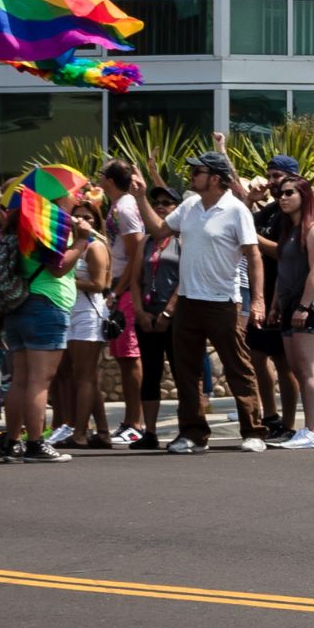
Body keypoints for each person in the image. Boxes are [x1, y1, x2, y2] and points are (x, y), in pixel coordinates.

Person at [133, 150, 270, 454]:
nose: (192, 175)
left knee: (238, 368)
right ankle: (193, 434)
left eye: (198, 172)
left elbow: (254, 256)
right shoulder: (190, 206)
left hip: (223, 301)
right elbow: (158, 231)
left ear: (216, 178)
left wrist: (258, 300)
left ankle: (253, 431)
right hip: (188, 302)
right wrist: (141, 197)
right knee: (186, 370)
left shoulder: (236, 210)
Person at [0, 193, 94, 463]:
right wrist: (82, 240)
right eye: (69, 196)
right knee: (40, 381)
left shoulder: (21, 223)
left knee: (20, 379)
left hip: (19, 305)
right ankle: (36, 444)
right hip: (47, 304)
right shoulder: (47, 223)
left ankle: (13, 443)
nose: (74, 199)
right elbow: (59, 267)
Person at [267, 175, 314, 450]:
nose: (282, 198)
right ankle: (311, 427)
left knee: (310, 370)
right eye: (280, 194)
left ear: (303, 195)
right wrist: (276, 304)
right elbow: (282, 271)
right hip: (288, 305)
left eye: (289, 193)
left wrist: (303, 306)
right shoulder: (289, 230)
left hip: (311, 306)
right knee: (298, 369)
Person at [245, 152, 303, 441]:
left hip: (285, 293)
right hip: (263, 291)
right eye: (269, 176)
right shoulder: (268, 212)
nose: (271, 183)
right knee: (257, 357)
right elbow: (243, 222)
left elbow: (282, 252)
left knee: (283, 362)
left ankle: (289, 424)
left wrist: (253, 238)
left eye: (277, 176)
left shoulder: (295, 214)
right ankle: (270, 416)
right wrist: (249, 198)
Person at [55, 194, 113, 451]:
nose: (81, 219)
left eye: (87, 217)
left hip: (88, 314)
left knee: (85, 376)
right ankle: (102, 432)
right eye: (76, 215)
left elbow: (100, 285)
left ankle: (80, 433)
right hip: (70, 312)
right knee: (80, 376)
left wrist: (66, 280)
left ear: (96, 222)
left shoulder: (95, 246)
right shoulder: (72, 244)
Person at [130, 186, 183, 450]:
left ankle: (187, 429)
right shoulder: (146, 241)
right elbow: (135, 279)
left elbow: (185, 280)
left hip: (173, 317)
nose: (160, 206)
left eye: (167, 203)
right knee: (150, 373)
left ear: (177, 208)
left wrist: (168, 312)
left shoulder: (182, 239)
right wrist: (139, 312)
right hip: (147, 316)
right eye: (157, 202)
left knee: (181, 371)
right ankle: (149, 432)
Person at [102, 161, 148, 443]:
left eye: (101, 175)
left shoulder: (127, 208)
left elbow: (136, 254)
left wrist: (118, 291)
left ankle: (136, 423)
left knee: (130, 357)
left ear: (109, 180)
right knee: (122, 356)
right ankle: (131, 420)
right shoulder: (118, 205)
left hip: (128, 290)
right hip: (121, 288)